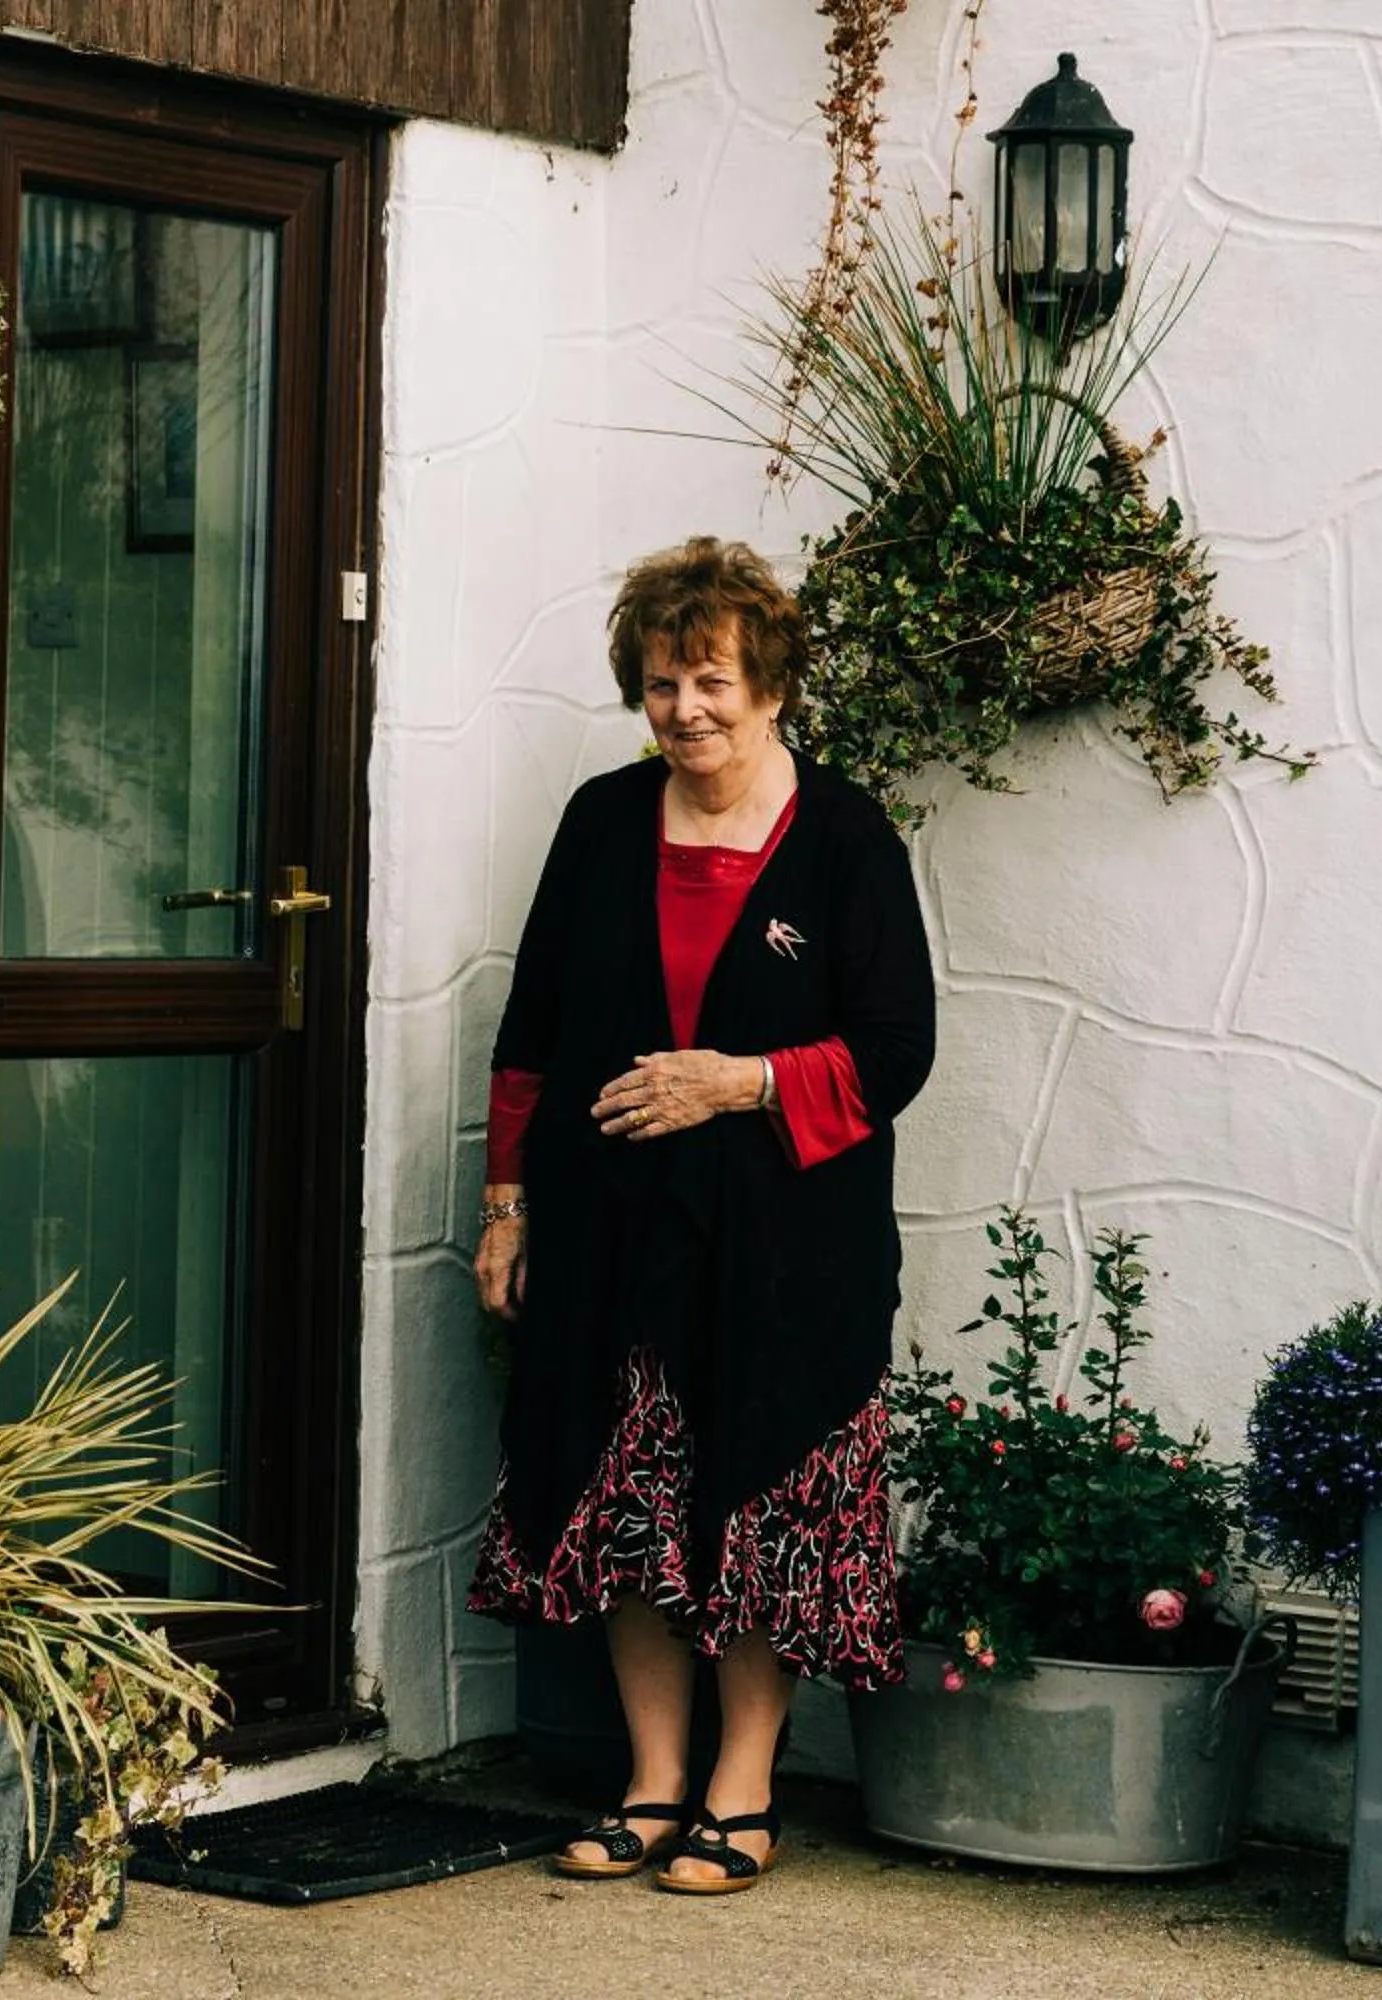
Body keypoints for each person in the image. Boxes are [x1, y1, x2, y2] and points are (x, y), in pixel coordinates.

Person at [465, 535, 936, 1894]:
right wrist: (508, 1205)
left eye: (714, 681)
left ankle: (744, 1788)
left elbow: (895, 1049)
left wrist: (738, 1082)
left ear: (770, 685)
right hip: (608, 1231)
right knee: (627, 1500)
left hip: (787, 1249)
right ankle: (655, 1781)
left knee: (761, 1499)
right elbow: (531, 1031)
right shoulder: (602, 822)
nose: (687, 710)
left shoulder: (845, 836)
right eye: (664, 684)